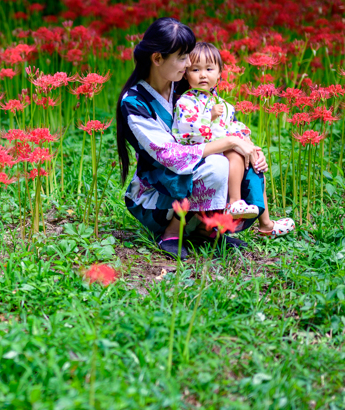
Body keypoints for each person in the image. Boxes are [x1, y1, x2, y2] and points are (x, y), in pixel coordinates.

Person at [115, 18, 285, 260]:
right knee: (218, 164)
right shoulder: (134, 102)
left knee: (241, 160)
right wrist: (229, 143)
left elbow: (225, 122)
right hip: (157, 198)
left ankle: (209, 229)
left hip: (193, 183)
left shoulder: (184, 85)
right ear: (157, 58)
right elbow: (169, 156)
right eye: (183, 58)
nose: (189, 65)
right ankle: (172, 233)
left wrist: (248, 146)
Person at [173, 41, 294, 237]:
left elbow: (234, 128)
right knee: (235, 155)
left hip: (222, 149)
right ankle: (234, 202)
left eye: (209, 69)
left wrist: (251, 147)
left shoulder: (225, 105)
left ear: (220, 73)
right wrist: (209, 116)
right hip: (200, 153)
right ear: (186, 74)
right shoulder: (186, 101)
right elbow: (188, 129)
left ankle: (266, 224)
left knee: (254, 165)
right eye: (195, 69)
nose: (203, 74)